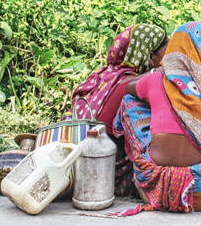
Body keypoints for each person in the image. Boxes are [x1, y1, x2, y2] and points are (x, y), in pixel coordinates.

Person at [112, 21, 201, 214]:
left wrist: (159, 71)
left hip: (156, 190)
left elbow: (128, 88)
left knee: (131, 102)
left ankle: (148, 166)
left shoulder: (156, 80)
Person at [68, 24, 168, 197]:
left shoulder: (107, 76)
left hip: (75, 162)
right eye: (167, 52)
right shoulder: (135, 85)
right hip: (105, 173)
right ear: (151, 57)